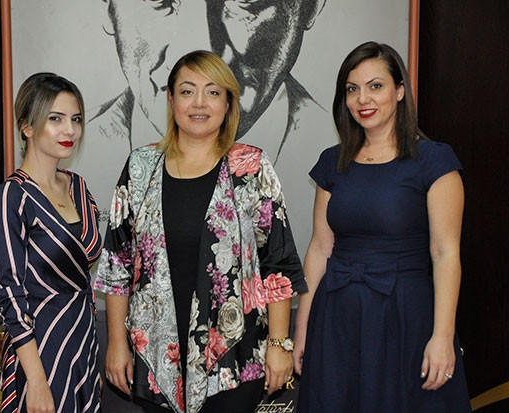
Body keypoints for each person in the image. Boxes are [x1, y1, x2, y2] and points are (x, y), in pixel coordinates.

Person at [94, 50, 307, 413]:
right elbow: (118, 263)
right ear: (171, 99)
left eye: (212, 92)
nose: (199, 103)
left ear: (228, 103)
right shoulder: (140, 167)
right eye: (187, 91)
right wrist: (116, 343)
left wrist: (278, 344)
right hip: (156, 355)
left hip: (235, 356)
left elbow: (278, 262)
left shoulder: (251, 167)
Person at [292, 41, 472, 412]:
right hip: (336, 315)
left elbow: (445, 254)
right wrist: (302, 329)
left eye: (375, 86)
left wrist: (443, 335)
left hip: (404, 315)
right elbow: (320, 248)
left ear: (400, 91)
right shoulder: (332, 162)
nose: (363, 99)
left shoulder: (434, 160)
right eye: (352, 89)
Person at [0, 73, 103, 413]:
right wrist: (36, 380)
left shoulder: (78, 187)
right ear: (27, 126)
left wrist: (91, 357)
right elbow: (8, 292)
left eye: (76, 119)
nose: (70, 130)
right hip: (40, 352)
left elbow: (85, 278)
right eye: (55, 119)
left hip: (83, 345)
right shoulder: (12, 196)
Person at [91, 0, 326, 163]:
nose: (202, 55)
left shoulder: (335, 155)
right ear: (107, 8)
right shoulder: (76, 164)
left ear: (310, 6)